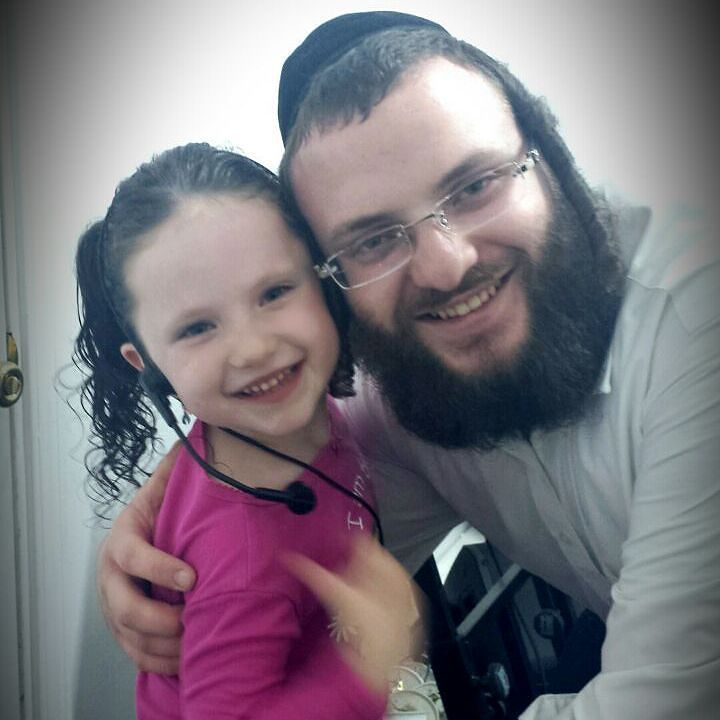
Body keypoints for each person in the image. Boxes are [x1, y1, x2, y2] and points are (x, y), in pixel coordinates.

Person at [96, 12, 720, 720]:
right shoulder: (401, 385)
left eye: (475, 186)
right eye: (374, 241)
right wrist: (154, 532)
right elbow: (292, 500)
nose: (446, 265)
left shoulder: (694, 321)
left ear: (545, 151)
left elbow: (666, 695)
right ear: (335, 283)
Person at [74, 141, 418, 719]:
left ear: (323, 279)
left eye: (274, 293)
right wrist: (363, 671)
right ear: (149, 366)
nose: (254, 349)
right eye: (198, 328)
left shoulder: (293, 412)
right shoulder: (241, 562)